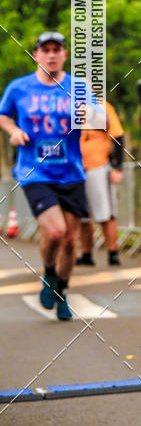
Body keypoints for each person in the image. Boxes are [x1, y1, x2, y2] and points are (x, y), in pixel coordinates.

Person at [0, 32, 102, 320]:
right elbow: (3, 115)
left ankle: (62, 291)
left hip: (71, 172)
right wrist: (14, 131)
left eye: (57, 49)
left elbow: (102, 119)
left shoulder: (78, 87)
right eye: (46, 50)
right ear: (36, 55)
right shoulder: (19, 88)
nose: (52, 55)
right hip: (35, 171)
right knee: (55, 231)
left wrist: (88, 114)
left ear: (65, 55)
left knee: (70, 239)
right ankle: (48, 274)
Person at [76, 99, 125, 267]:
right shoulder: (70, 108)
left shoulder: (103, 107)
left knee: (106, 213)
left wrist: (118, 167)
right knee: (83, 216)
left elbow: (118, 135)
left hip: (99, 166)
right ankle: (86, 254)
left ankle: (113, 253)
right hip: (78, 169)